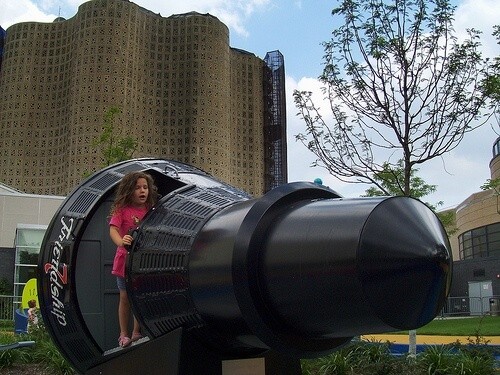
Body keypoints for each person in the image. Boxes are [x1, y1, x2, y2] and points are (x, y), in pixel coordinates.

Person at [109, 171, 158, 348]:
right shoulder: (121, 210)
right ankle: (123, 334)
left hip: (142, 262)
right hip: (124, 261)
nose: (142, 191)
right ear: (129, 190)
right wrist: (121, 241)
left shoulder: (150, 211)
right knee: (124, 297)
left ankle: (137, 332)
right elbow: (113, 230)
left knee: (139, 296)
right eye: (137, 188)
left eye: (145, 187)